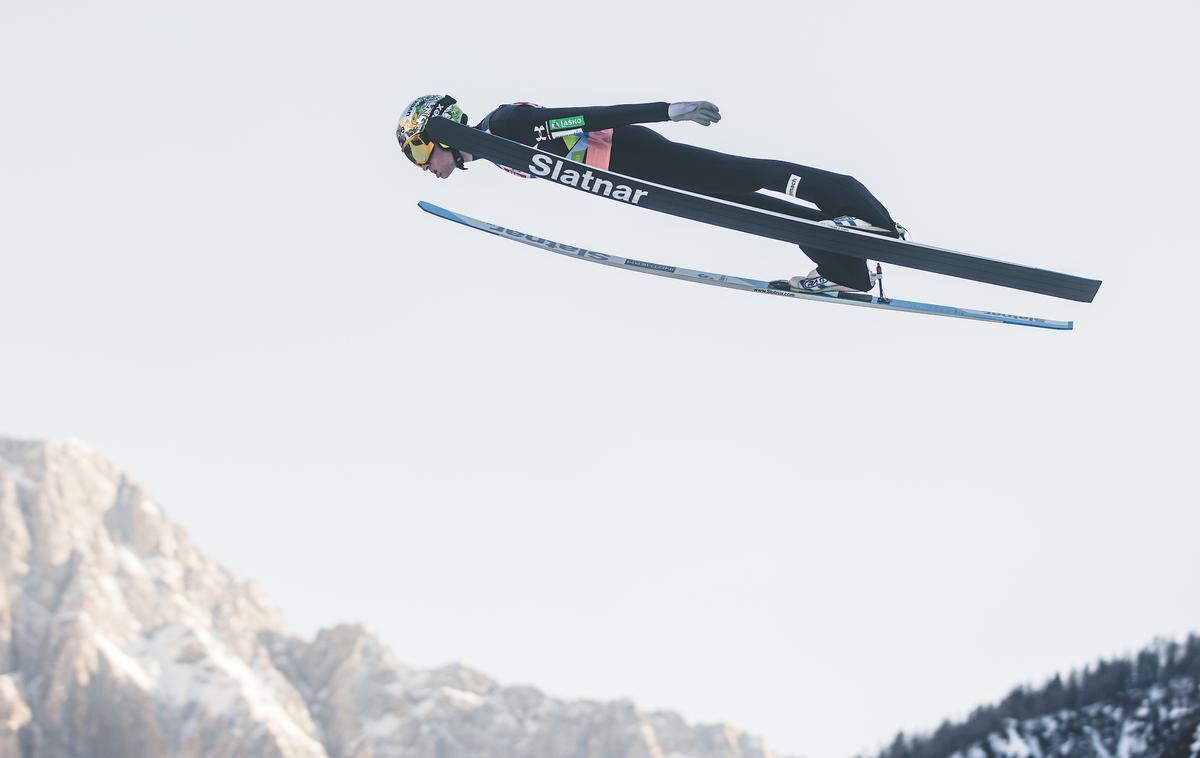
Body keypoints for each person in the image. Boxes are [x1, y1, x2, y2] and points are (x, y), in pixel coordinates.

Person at [396, 95, 907, 293]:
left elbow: (586, 120)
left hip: (640, 158)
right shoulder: (496, 151)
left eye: (422, 156)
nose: (429, 170)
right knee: (749, 207)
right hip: (637, 178)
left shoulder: (504, 125)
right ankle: (846, 268)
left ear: (435, 134)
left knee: (744, 178)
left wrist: (666, 109)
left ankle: (862, 213)